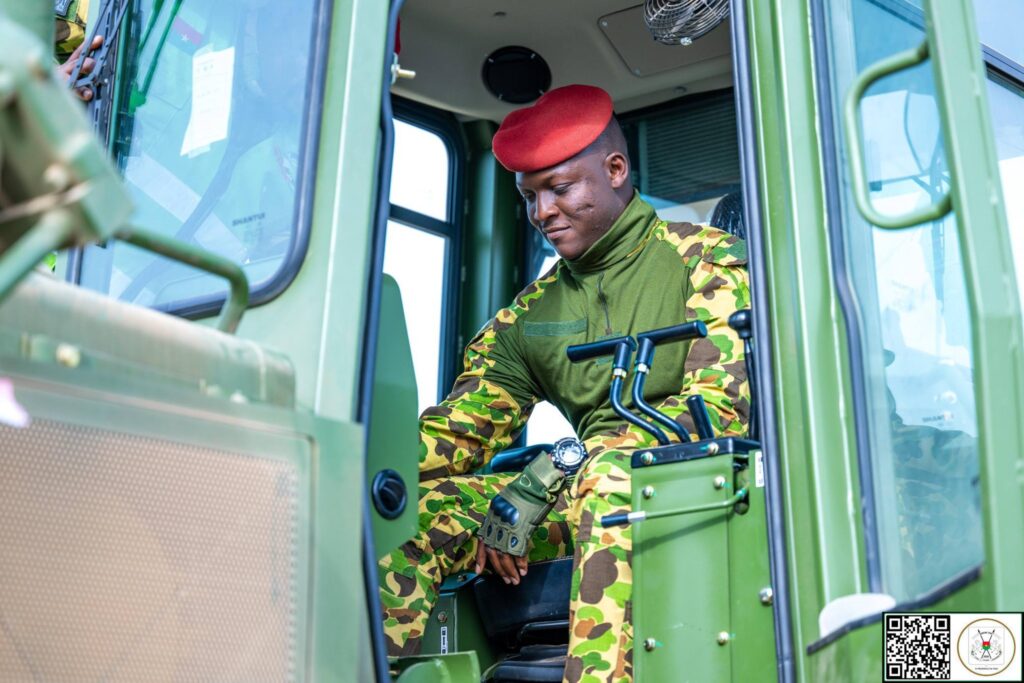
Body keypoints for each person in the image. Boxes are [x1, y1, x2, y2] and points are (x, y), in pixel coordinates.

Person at [378, 84, 750, 682]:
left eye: (560, 188)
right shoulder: (530, 316)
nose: (542, 212)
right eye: (529, 196)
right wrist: (362, 461)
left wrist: (546, 475)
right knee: (414, 514)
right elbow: (456, 436)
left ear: (616, 170)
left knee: (610, 479)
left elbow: (718, 408)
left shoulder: (705, 261)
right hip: (586, 491)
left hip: (696, 483)